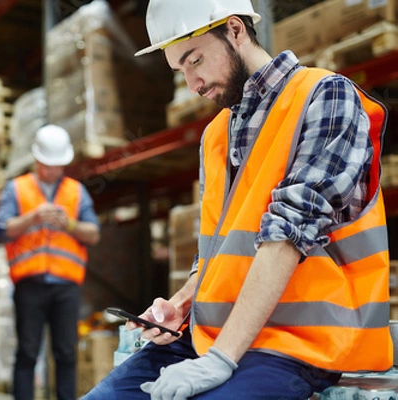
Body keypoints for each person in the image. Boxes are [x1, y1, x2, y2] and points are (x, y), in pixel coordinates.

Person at [84, 0, 392, 399]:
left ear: (234, 29)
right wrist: (180, 305)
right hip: (215, 335)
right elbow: (219, 252)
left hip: (301, 343)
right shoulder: (216, 135)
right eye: (181, 71)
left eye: (195, 61)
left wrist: (221, 358)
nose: (192, 84)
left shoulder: (325, 96)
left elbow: (288, 234)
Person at [0, 124, 100, 400]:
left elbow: (93, 234)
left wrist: (70, 223)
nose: (52, 171)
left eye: (57, 165)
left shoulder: (76, 192)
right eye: (47, 165)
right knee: (28, 352)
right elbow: (3, 229)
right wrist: (33, 217)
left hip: (65, 286)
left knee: (65, 352)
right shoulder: (16, 189)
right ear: (36, 159)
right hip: (29, 284)